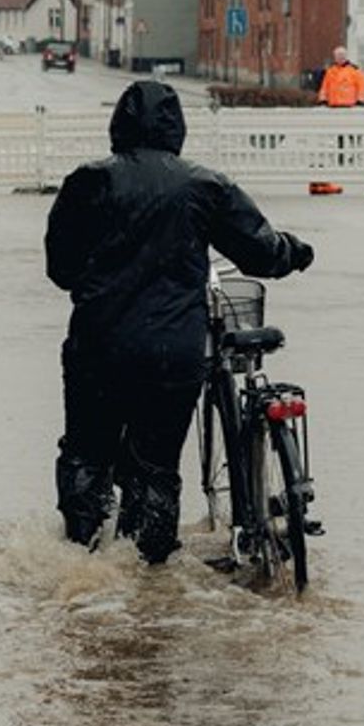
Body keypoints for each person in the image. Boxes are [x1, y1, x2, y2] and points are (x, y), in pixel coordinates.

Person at [44, 81, 315, 563]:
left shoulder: (88, 181)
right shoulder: (205, 186)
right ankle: (148, 571)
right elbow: (261, 251)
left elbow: (60, 269)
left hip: (99, 345)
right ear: (178, 129)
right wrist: (295, 252)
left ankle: (80, 558)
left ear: (119, 125)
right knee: (155, 465)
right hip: (173, 353)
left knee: (87, 452)